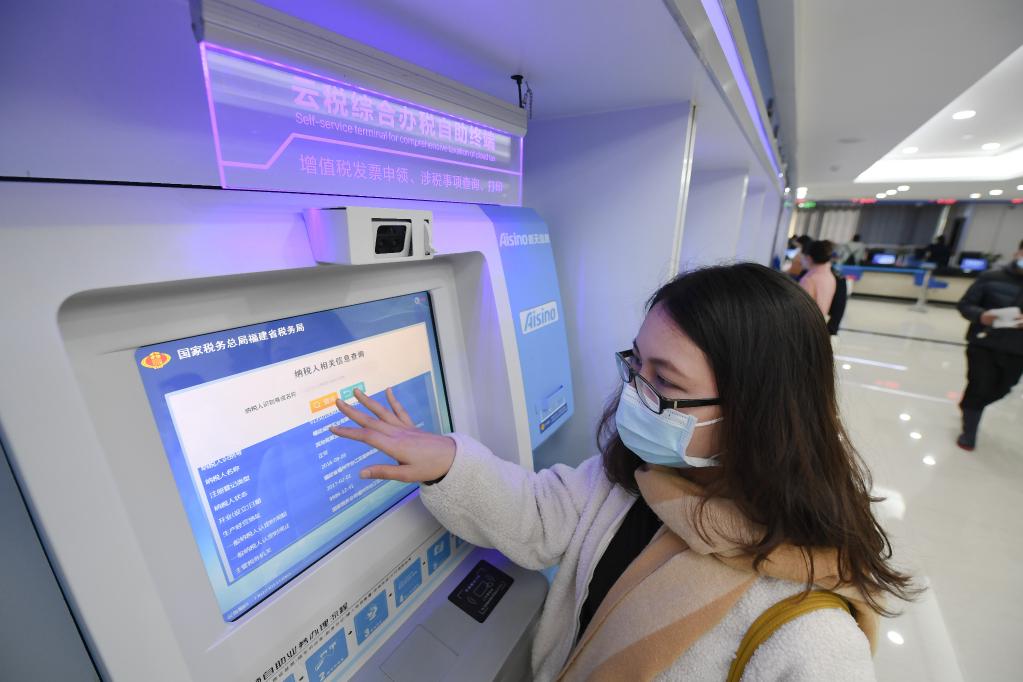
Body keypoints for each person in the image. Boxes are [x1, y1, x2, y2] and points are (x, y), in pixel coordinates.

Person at [329, 264, 915, 681]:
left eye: (665, 381)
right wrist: (448, 463)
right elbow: (539, 517)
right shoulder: (642, 481)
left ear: (757, 413)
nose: (635, 391)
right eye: (636, 362)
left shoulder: (808, 629)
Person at [954, 240, 1023, 450]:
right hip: (984, 342)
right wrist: (981, 316)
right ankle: (969, 433)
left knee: (1003, 388)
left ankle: (969, 405)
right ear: (1017, 253)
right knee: (979, 386)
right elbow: (965, 304)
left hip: (1017, 349)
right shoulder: (991, 277)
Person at [799, 240, 838, 316]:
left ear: (809, 258)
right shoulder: (830, 276)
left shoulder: (809, 280)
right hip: (820, 320)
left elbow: (800, 308)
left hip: (806, 320)